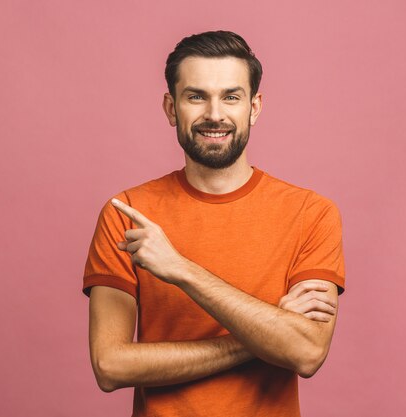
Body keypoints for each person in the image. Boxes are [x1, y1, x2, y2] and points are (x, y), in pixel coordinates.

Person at [81, 30, 345, 417]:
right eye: (196, 96)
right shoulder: (128, 212)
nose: (215, 114)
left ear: (254, 107)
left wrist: (180, 269)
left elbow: (306, 353)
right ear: (172, 108)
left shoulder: (312, 213)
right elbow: (110, 365)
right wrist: (269, 328)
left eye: (231, 97)